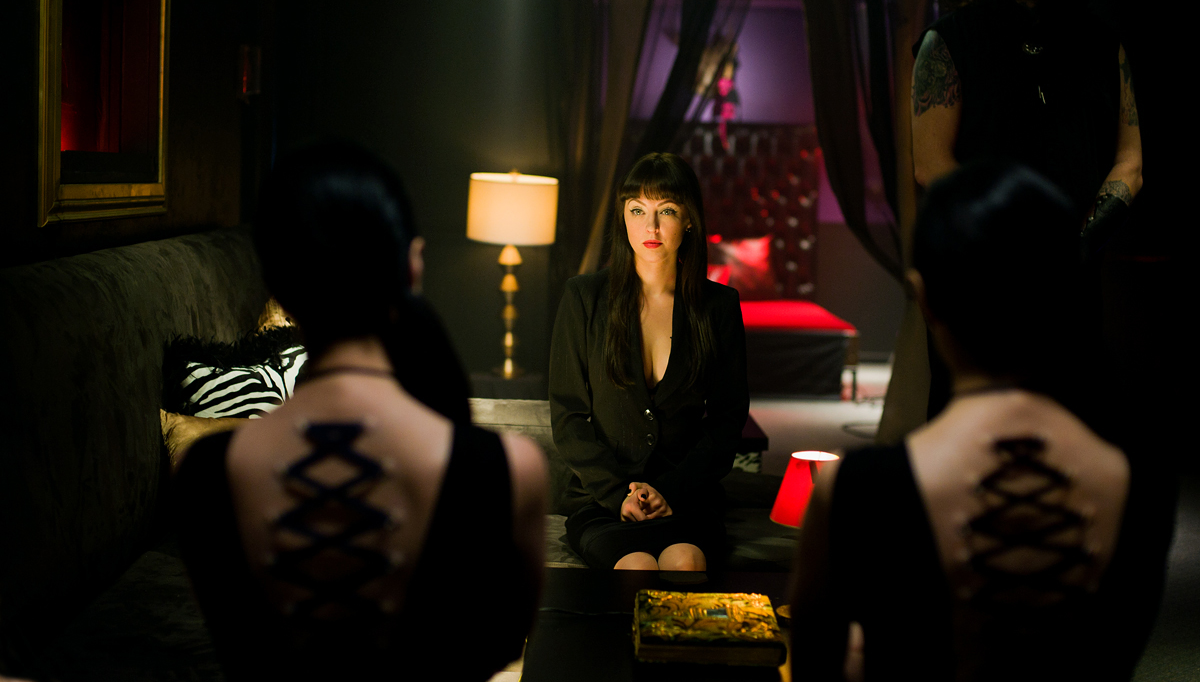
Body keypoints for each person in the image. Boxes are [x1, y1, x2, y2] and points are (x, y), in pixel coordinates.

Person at [174, 140, 547, 681]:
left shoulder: (202, 476)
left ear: (277, 287)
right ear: (412, 269)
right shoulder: (512, 470)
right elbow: (501, 645)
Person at [789, 161, 1175, 681]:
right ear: (1065, 297)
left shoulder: (855, 490)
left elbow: (815, 666)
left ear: (925, 299)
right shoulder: (1145, 483)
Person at [910, 0, 1143, 419]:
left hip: (1069, 279)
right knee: (969, 426)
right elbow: (930, 165)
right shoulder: (950, 39)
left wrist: (1075, 246)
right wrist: (1010, 244)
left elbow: (1131, 163)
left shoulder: (1103, 46)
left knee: (1067, 425)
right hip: (978, 276)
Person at [549, 152, 749, 571]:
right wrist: (618, 492)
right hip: (603, 498)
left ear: (689, 220)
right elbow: (569, 416)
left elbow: (728, 419)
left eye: (667, 210)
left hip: (687, 496)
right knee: (635, 567)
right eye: (637, 210)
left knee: (685, 561)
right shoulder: (584, 298)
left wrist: (672, 491)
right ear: (623, 217)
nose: (651, 227)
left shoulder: (719, 307)